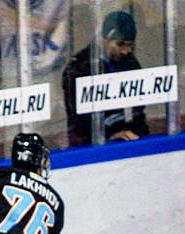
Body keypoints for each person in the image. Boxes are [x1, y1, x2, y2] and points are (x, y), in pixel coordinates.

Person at [60, 10, 149, 146]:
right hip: (90, 145)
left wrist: (136, 132)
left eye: (130, 45)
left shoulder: (130, 62)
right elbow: (78, 119)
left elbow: (138, 110)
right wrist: (108, 136)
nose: (126, 50)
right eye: (120, 44)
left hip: (128, 137)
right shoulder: (79, 67)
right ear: (103, 39)